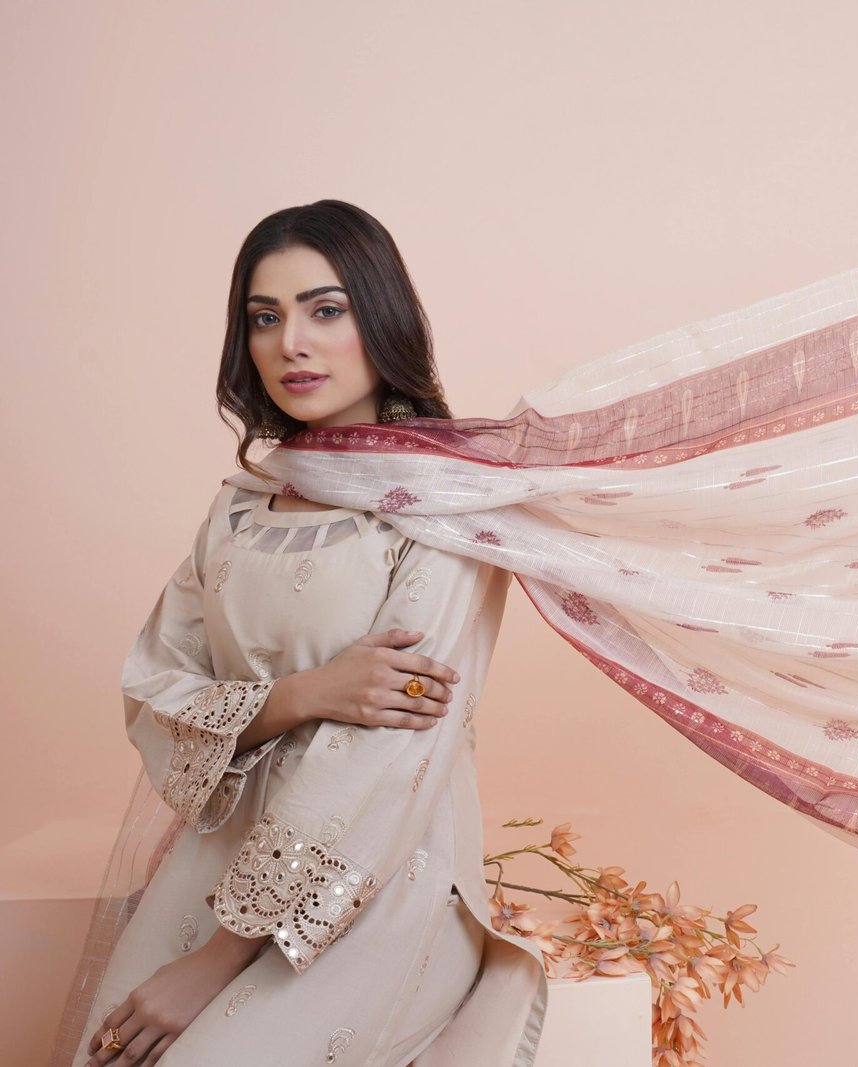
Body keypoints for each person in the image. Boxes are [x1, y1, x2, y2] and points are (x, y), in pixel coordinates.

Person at [69, 201, 547, 1065]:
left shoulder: (440, 506)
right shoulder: (244, 504)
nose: (292, 341)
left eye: (326, 310)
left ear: (382, 317)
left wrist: (214, 961)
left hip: (372, 882)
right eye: (265, 316)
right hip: (214, 862)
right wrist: (299, 696)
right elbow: (153, 686)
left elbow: (386, 763)